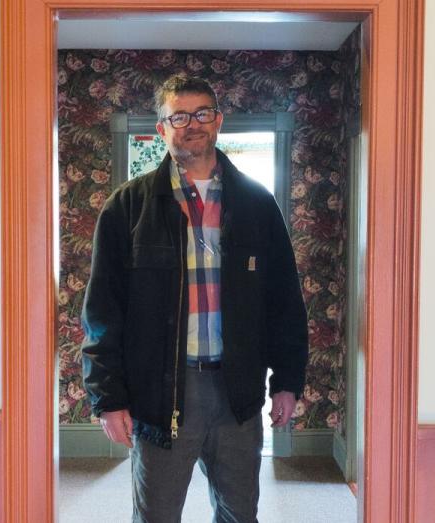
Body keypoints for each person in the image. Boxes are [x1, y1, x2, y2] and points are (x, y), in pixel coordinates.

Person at [82, 74, 308, 523]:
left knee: (239, 513)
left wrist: (287, 380)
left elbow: (285, 301)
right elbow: (102, 312)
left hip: (237, 392)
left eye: (203, 113)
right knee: (157, 515)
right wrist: (107, 398)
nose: (193, 124)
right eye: (179, 116)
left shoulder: (258, 204)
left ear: (218, 121)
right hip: (161, 392)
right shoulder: (126, 208)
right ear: (161, 129)